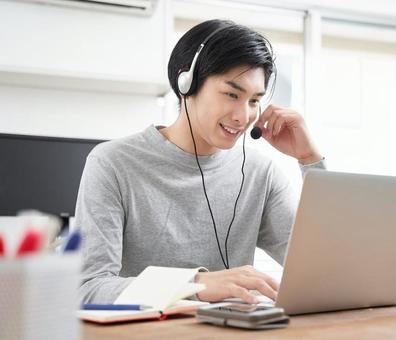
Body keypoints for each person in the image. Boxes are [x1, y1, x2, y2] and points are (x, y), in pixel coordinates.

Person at [76, 19, 325, 305]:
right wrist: (194, 284)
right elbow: (89, 288)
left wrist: (309, 160)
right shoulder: (112, 164)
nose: (244, 116)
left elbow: (325, 268)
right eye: (232, 94)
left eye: (254, 101)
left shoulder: (260, 173)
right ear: (187, 84)